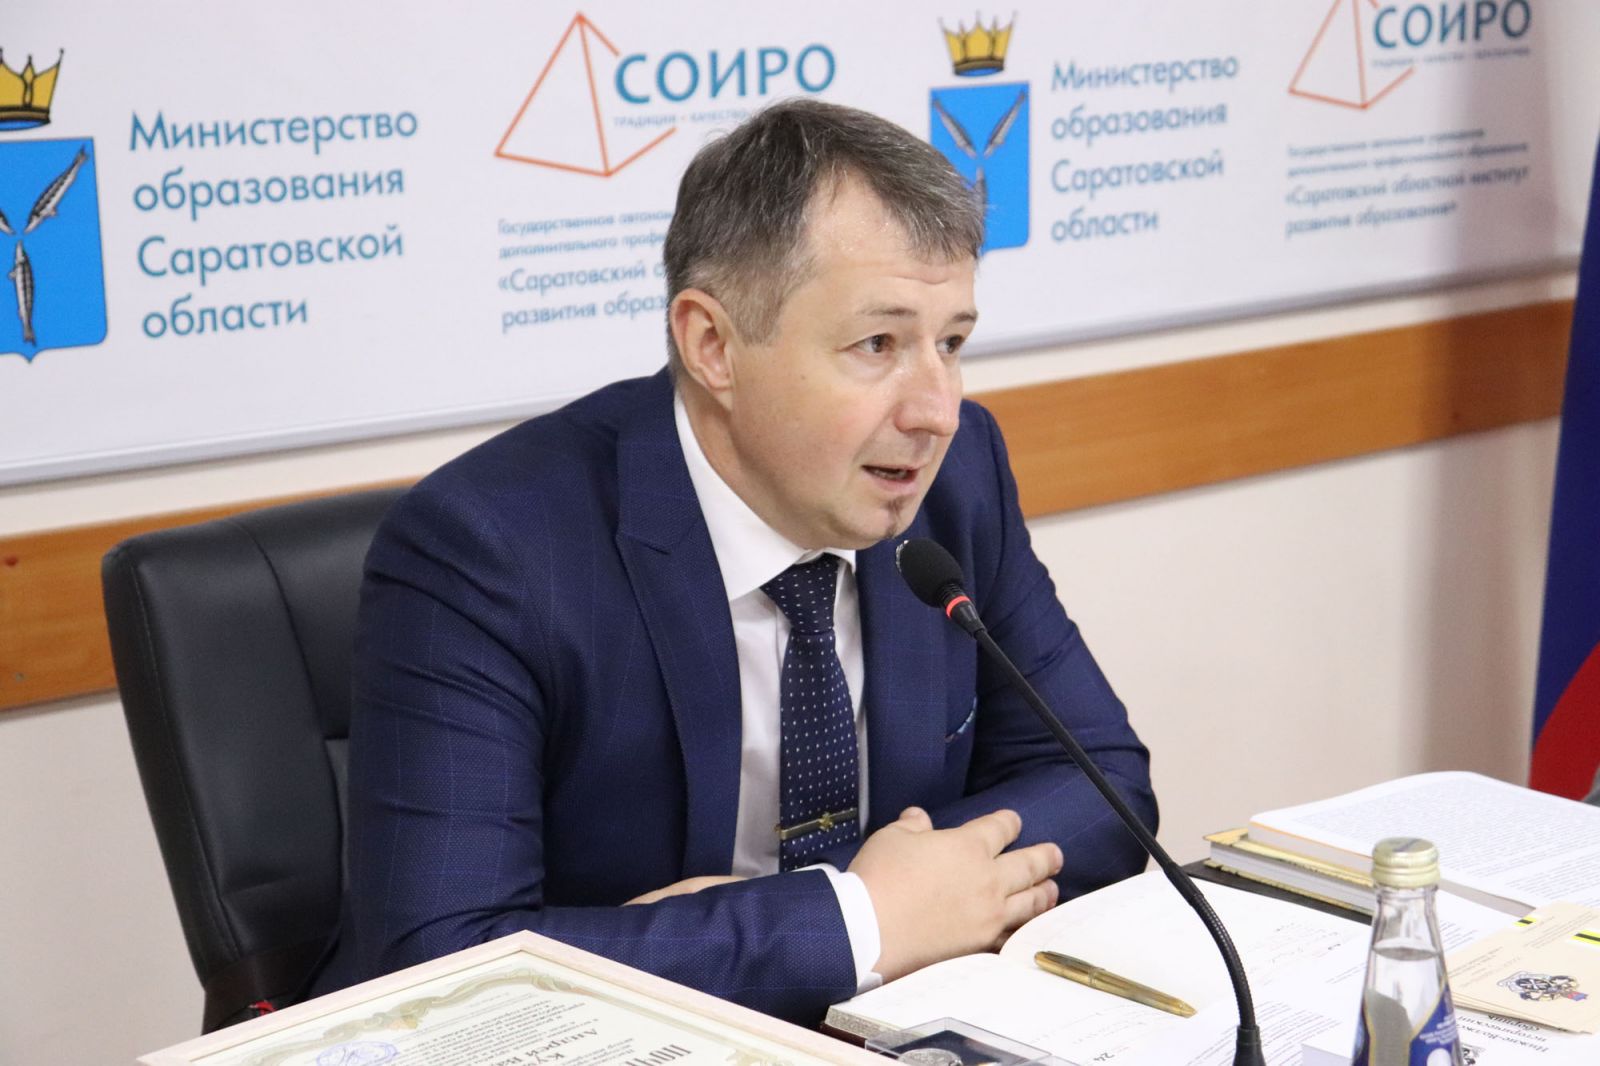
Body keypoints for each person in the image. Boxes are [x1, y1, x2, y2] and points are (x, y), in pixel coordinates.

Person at [314, 99, 1156, 1026]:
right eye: (878, 344)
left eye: (950, 342)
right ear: (712, 345)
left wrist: (874, 906)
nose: (937, 410)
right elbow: (441, 965)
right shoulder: (489, 547)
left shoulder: (957, 480)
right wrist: (858, 920)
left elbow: (1104, 785)